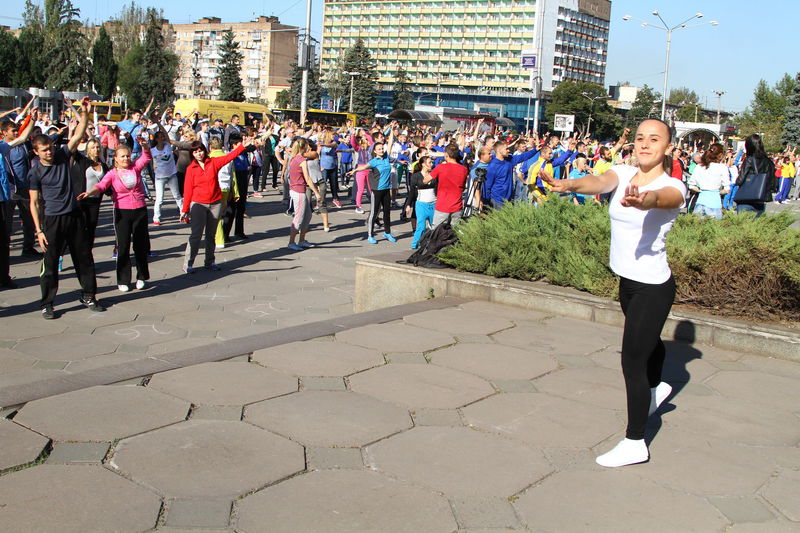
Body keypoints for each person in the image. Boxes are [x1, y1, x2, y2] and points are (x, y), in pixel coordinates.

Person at [541, 118, 687, 468]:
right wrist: (569, 184)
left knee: (631, 360)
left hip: (653, 286)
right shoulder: (622, 174)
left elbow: (663, 198)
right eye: (640, 138)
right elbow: (598, 180)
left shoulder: (673, 186)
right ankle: (658, 388)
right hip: (627, 281)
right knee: (647, 341)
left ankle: (635, 441)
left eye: (654, 139)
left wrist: (645, 200)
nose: (645, 144)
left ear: (668, 147)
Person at [28, 98, 105, 319]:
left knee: (84, 257)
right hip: (52, 220)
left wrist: (84, 113)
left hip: (74, 215)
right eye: (44, 150)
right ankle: (47, 303)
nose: (49, 152)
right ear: (36, 152)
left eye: (50, 148)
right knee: (50, 263)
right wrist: (39, 230)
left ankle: (89, 295)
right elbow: (34, 203)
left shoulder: (62, 155)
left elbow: (79, 134)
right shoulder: (34, 173)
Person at [79, 141, 153, 292]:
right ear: (116, 159)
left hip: (140, 210)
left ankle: (141, 276)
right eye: (122, 156)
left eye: (128, 155)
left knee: (141, 245)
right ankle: (123, 279)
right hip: (122, 212)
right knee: (123, 246)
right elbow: (102, 186)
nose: (126, 158)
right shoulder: (112, 173)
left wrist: (145, 146)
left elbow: (146, 157)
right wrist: (89, 193)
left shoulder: (135, 168)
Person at [181, 136, 252, 272]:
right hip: (198, 204)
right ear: (192, 154)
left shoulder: (213, 162)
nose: (199, 154)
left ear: (205, 150)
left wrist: (242, 147)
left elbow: (229, 157)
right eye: (195, 152)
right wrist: (184, 209)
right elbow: (188, 189)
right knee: (196, 234)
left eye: (200, 150)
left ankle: (209, 261)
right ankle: (188, 263)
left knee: (211, 234)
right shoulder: (191, 168)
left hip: (215, 203)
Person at [348, 141, 396, 244]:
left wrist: (392, 129)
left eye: (382, 148)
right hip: (377, 191)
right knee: (374, 213)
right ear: (374, 151)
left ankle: (387, 233)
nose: (381, 150)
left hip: (386, 190)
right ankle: (370, 235)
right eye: (379, 149)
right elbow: (364, 167)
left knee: (387, 213)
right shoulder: (374, 161)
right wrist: (354, 170)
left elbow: (390, 142)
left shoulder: (386, 157)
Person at [69, 138, 108, 247]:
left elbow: (108, 183)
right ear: (88, 150)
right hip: (82, 200)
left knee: (91, 228)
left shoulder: (103, 165)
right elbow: (73, 149)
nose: (96, 149)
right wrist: (73, 132)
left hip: (95, 201)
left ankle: (88, 254)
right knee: (81, 229)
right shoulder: (83, 161)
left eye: (97, 147)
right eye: (93, 148)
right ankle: (78, 253)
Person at [285, 138, 322, 251]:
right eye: (308, 146)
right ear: (303, 147)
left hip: (297, 190)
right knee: (299, 218)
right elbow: (308, 178)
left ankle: (301, 240)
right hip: (298, 191)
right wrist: (316, 193)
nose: (309, 148)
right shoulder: (301, 160)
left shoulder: (294, 157)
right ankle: (291, 242)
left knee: (307, 215)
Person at [735, 134, 776, 217]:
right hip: (760, 198)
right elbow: (773, 183)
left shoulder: (749, 159)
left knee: (743, 226)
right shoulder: (768, 161)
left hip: (746, 198)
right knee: (756, 226)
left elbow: (740, 181)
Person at [149, 130, 183, 225]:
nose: (162, 138)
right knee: (159, 199)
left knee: (177, 196)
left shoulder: (167, 145)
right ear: (156, 139)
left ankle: (184, 214)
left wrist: (158, 123)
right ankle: (156, 218)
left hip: (172, 174)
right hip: (160, 177)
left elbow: (167, 136)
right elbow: (148, 160)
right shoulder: (153, 151)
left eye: (163, 136)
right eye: (160, 137)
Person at [686, 143, 728, 219]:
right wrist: (716, 192)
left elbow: (691, 185)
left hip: (701, 201)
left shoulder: (699, 166)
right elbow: (727, 190)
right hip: (715, 202)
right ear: (721, 155)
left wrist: (701, 190)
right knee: (714, 229)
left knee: (697, 228)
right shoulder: (722, 167)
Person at [430, 144, 468, 227]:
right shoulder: (464, 169)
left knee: (437, 233)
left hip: (442, 206)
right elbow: (464, 186)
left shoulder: (440, 167)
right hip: (457, 206)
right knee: (454, 233)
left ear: (446, 155)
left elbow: (426, 180)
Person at [406, 155, 436, 249]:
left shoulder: (434, 174)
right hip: (421, 204)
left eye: (431, 162)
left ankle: (432, 245)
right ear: (423, 164)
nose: (431, 164)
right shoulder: (416, 176)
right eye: (429, 162)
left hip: (434, 204)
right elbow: (411, 192)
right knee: (421, 227)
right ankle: (415, 245)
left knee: (434, 227)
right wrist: (408, 205)